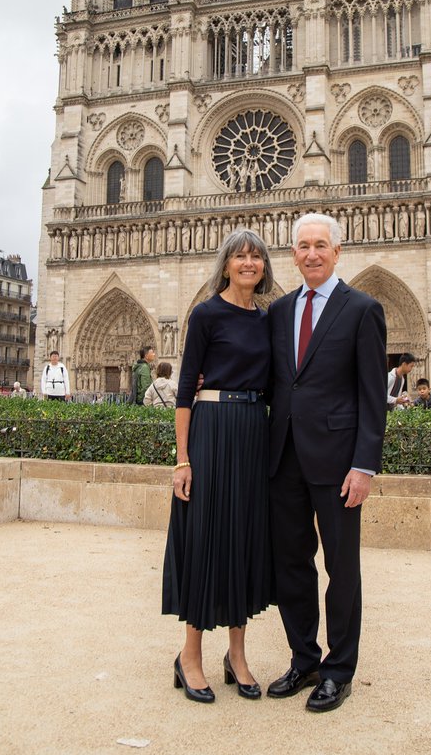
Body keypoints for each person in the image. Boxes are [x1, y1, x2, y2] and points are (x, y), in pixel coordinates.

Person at [267, 212, 387, 714]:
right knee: (292, 565)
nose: (311, 254)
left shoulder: (362, 309)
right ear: (292, 254)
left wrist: (365, 465)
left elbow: (372, 396)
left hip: (339, 464)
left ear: (337, 252)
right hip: (284, 459)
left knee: (342, 569)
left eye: (320, 245)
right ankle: (304, 659)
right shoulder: (278, 311)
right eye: (302, 246)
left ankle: (339, 670)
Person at [163, 229, 273, 704]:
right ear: (225, 264)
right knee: (207, 536)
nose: (248, 263)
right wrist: (182, 459)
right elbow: (185, 389)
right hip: (211, 429)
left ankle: (237, 656)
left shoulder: (269, 320)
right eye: (239, 256)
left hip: (252, 430)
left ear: (265, 267)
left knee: (243, 540)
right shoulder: (205, 315)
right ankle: (190, 656)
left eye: (256, 256)